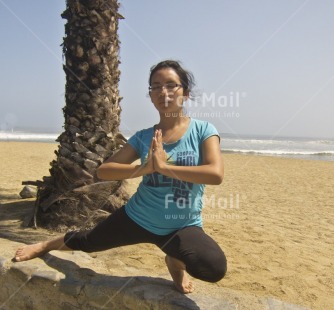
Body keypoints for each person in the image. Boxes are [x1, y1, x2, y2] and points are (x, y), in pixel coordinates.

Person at [14, 60, 227, 294]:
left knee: (213, 267)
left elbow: (215, 174)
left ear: (185, 93)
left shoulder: (203, 130)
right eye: (155, 87)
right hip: (137, 217)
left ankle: (173, 261)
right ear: (151, 95)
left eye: (170, 85)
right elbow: (105, 170)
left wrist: (164, 168)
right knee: (87, 242)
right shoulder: (144, 136)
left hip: (181, 225)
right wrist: (145, 169)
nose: (163, 92)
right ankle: (45, 244)